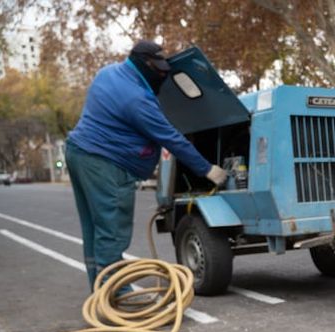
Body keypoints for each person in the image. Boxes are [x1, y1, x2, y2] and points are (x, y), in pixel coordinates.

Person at [66, 39, 227, 291]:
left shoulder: (108, 73)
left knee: (94, 229)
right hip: (106, 163)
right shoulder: (137, 100)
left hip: (79, 154)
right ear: (144, 64)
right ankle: (116, 295)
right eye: (160, 70)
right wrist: (207, 169)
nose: (163, 74)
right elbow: (172, 139)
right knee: (112, 232)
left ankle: (98, 289)